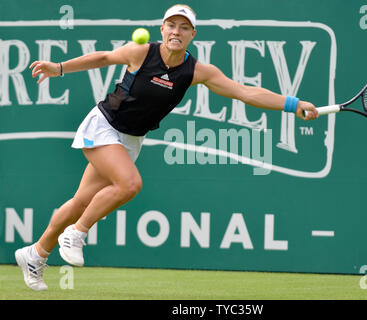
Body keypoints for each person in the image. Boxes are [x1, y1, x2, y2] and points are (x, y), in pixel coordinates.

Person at [15, 4, 319, 291]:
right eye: (171, 25)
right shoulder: (140, 52)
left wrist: (292, 105)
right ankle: (77, 233)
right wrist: (59, 67)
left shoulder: (197, 71)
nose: (177, 31)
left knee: (81, 201)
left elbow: (245, 92)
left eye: (184, 28)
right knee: (130, 184)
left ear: (193, 35)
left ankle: (36, 254)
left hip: (131, 139)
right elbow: (105, 57)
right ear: (162, 29)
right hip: (103, 125)